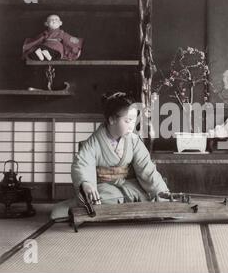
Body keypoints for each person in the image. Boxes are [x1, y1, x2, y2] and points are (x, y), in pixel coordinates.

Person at [50, 92, 170, 220]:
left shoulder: (134, 140)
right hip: (104, 188)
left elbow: (147, 169)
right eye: (127, 121)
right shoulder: (94, 142)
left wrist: (162, 193)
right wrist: (86, 183)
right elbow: (82, 164)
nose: (132, 126)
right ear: (112, 119)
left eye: (134, 121)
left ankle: (121, 207)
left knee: (147, 195)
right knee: (100, 200)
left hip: (128, 185)